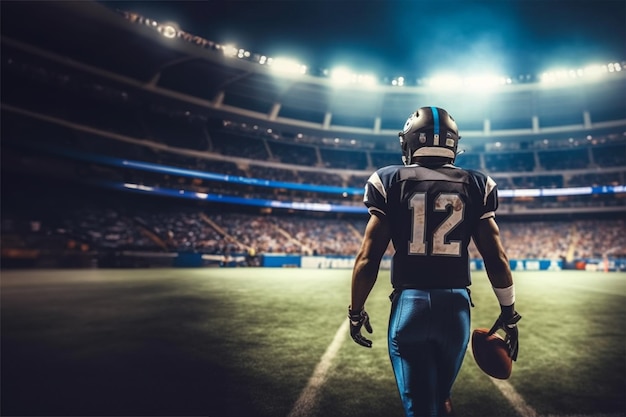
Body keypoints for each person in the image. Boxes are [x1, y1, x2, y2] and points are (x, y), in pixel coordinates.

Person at [348, 106, 521, 417]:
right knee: (442, 397)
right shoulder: (478, 183)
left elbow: (367, 259)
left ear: (409, 142)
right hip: (456, 309)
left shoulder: (389, 180)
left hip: (410, 306)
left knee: (420, 407)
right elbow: (496, 258)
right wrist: (508, 313)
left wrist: (356, 311)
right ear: (453, 143)